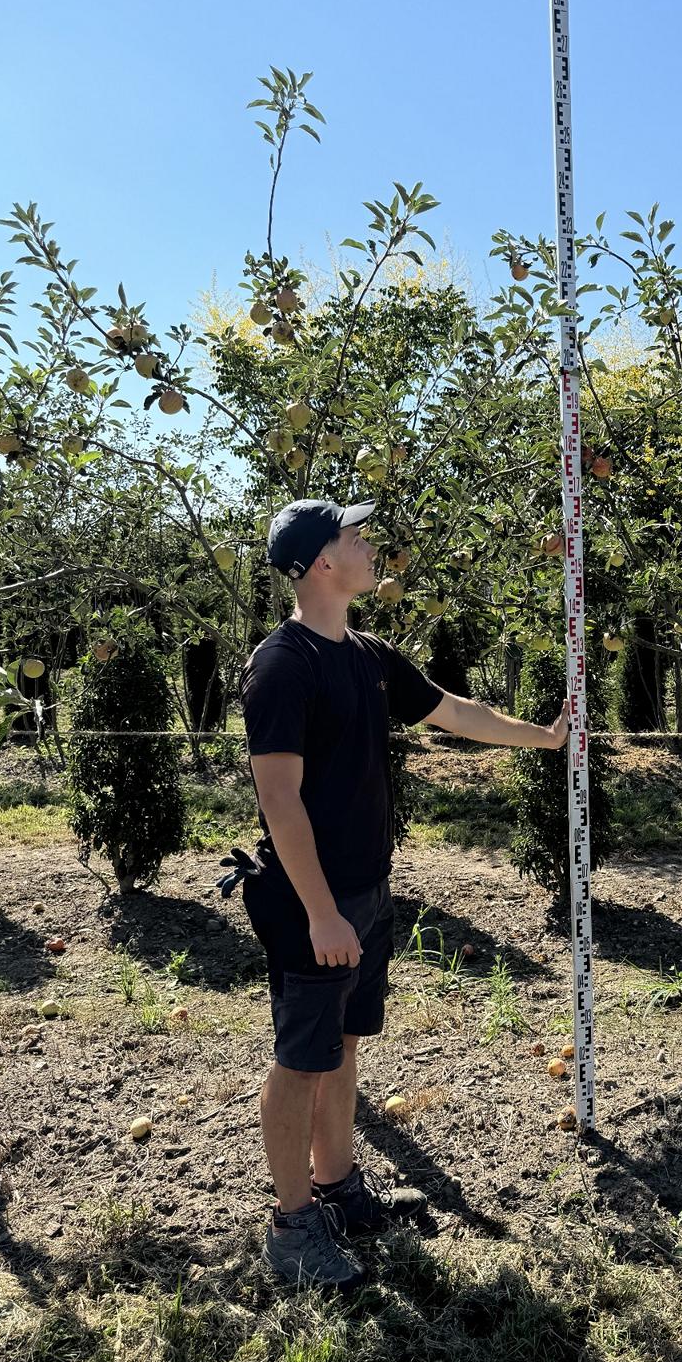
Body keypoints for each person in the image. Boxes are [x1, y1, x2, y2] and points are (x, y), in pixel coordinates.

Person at [227, 497, 568, 1290]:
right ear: (321, 563)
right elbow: (279, 799)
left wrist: (544, 738)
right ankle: (291, 1230)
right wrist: (319, 912)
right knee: (300, 1059)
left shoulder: (369, 654)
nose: (369, 544)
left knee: (343, 1047)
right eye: (354, 536)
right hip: (311, 900)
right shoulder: (282, 664)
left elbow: (453, 710)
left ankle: (339, 1188)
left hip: (366, 890)